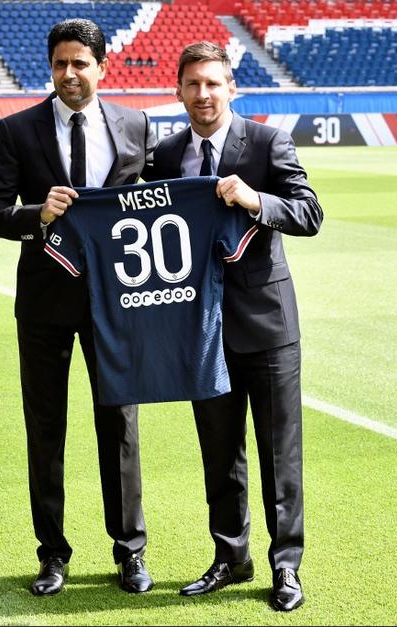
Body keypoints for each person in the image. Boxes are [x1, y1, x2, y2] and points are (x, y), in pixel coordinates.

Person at [0, 18, 157, 596]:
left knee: (120, 426)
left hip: (117, 304)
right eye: (61, 64)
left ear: (102, 66)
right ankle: (52, 553)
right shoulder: (18, 130)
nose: (71, 74)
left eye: (81, 63)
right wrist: (38, 213)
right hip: (45, 305)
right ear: (50, 68)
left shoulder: (136, 125)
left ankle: (130, 551)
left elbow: (156, 207)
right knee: (46, 428)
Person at [144, 41, 323, 612]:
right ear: (178, 90)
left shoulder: (268, 142)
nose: (203, 95)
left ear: (231, 88)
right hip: (202, 329)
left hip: (267, 327)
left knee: (279, 455)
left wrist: (255, 200)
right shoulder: (167, 154)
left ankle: (286, 566)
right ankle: (230, 556)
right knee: (219, 453)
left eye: (213, 84)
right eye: (193, 84)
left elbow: (309, 213)